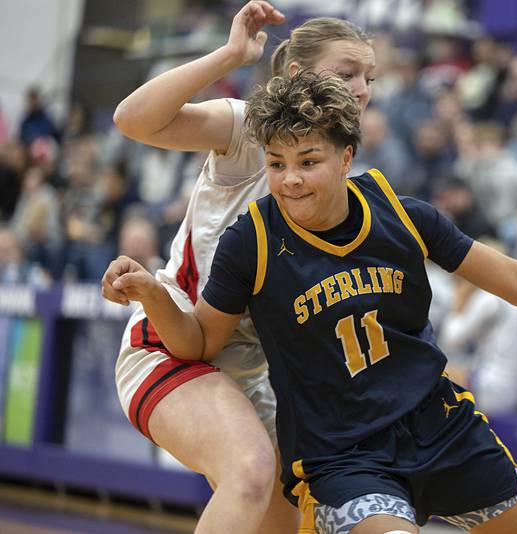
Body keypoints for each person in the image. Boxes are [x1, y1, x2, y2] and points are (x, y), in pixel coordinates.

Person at [103, 70, 517, 534]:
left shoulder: (401, 215)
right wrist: (155, 294)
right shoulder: (253, 241)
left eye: (308, 162)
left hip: (439, 426)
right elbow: (199, 343)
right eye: (277, 163)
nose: (289, 179)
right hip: (342, 456)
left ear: (347, 156)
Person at [106, 3, 378, 533]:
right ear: (297, 76)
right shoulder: (248, 131)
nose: (363, 88)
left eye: (370, 77)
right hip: (172, 341)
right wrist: (231, 55)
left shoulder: (345, 182)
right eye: (347, 73)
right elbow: (132, 119)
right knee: (251, 471)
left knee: (295, 521)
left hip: (255, 374)